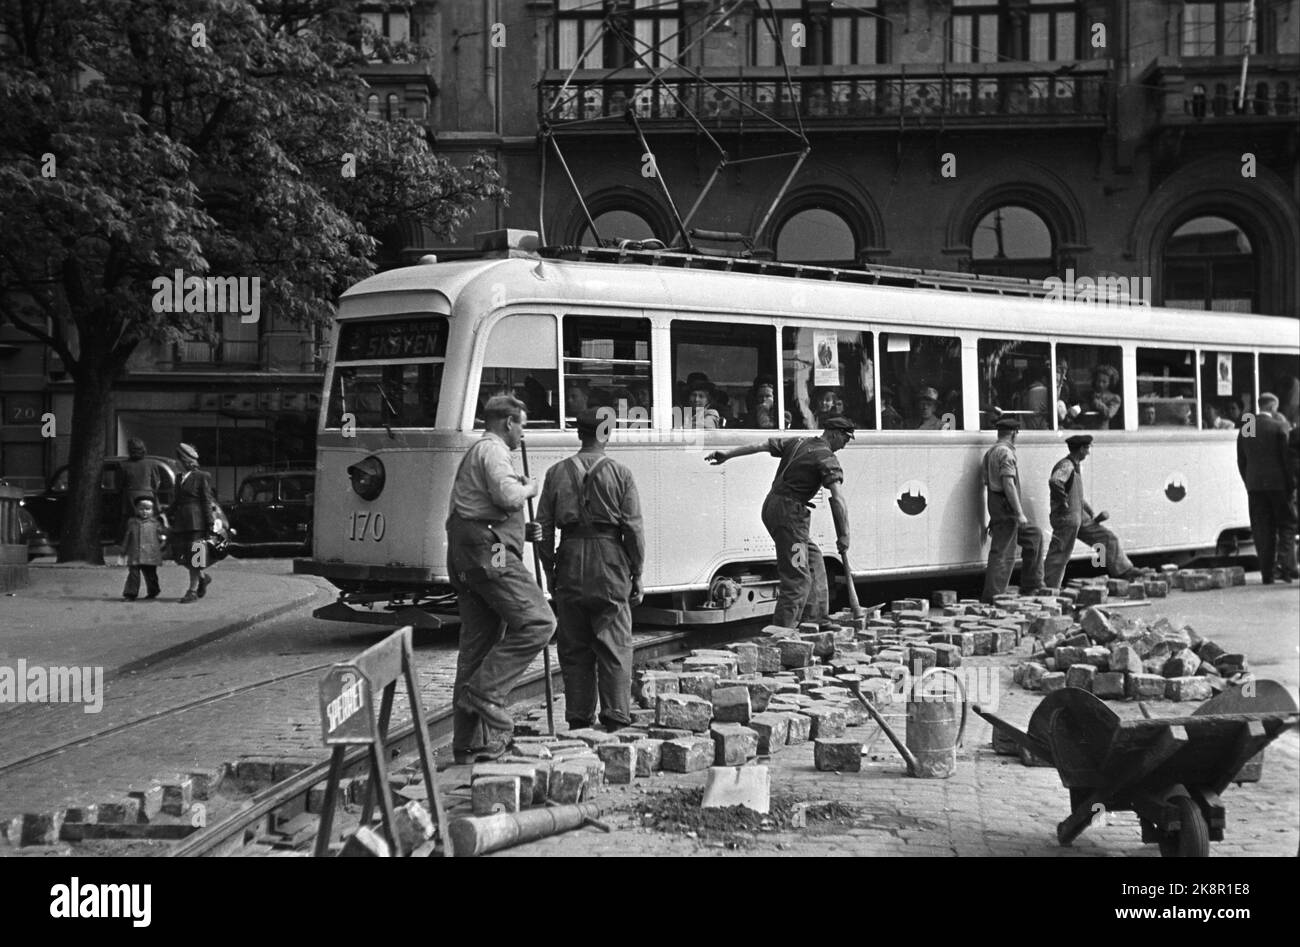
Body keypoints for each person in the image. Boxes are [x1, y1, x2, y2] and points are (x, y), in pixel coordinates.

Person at [446, 394, 556, 761]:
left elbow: (480, 511)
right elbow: (508, 496)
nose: (523, 433)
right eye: (522, 424)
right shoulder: (493, 451)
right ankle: (486, 694)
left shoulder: (476, 453)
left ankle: (467, 744)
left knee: (476, 648)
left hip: (470, 555)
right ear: (508, 422)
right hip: (490, 555)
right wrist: (530, 488)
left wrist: (520, 532)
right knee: (539, 622)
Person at [535, 408, 645, 732]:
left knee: (573, 644)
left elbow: (543, 526)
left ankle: (579, 719)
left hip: (569, 556)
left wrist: (550, 569)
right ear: (607, 433)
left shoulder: (556, 473)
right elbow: (633, 530)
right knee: (614, 642)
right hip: (609, 559)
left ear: (579, 433)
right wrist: (637, 572)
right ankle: (615, 717)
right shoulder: (621, 473)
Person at [705, 418, 855, 630]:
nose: (845, 445)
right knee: (797, 578)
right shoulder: (826, 457)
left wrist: (727, 454)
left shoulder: (799, 442)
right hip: (789, 516)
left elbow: (760, 446)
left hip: (775, 507)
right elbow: (838, 499)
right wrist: (844, 535)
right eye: (846, 439)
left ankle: (815, 619)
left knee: (813, 560)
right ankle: (782, 634)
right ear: (834, 433)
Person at [1042, 435, 1141, 590]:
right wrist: (1063, 501)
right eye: (1087, 448)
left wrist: (1089, 511)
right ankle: (1049, 587)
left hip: (1079, 515)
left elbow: (1076, 494)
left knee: (1106, 537)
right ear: (1081, 449)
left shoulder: (1075, 465)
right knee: (1060, 553)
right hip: (1067, 517)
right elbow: (1055, 481)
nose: (1088, 452)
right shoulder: (1066, 465)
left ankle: (1124, 571)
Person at [980, 417, 1044, 602]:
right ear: (1014, 433)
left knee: (1034, 536)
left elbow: (989, 484)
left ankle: (1032, 584)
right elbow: (1008, 484)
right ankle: (993, 597)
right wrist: (1019, 513)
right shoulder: (1006, 454)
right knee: (1003, 553)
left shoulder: (990, 453)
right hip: (1007, 508)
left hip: (998, 507)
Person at [1238, 392, 1298, 583]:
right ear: (1273, 407)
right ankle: (1284, 565)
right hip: (1279, 485)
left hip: (1255, 486)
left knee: (1262, 528)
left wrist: (1248, 481)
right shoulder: (1279, 426)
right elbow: (1286, 460)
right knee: (1287, 523)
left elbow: (1242, 458)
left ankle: (1267, 574)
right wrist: (1292, 484)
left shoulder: (1248, 425)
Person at [169, 442, 215, 603]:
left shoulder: (202, 476)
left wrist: (209, 523)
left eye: (178, 460)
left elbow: (206, 501)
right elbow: (176, 501)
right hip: (181, 523)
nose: (175, 463)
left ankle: (192, 591)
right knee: (181, 556)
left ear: (185, 460)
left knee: (195, 556)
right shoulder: (179, 478)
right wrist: (167, 513)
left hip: (197, 523)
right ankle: (203, 578)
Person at [120, 496, 166, 601]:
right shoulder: (132, 522)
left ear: (153, 510)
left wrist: (162, 543)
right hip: (135, 553)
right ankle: (130, 594)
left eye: (148, 509)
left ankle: (153, 591)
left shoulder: (156, 523)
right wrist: (123, 551)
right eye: (141, 509)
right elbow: (128, 537)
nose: (144, 512)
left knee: (151, 574)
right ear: (136, 509)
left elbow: (162, 536)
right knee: (133, 575)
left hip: (150, 553)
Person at [119, 437, 166, 534]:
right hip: (148, 496)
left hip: (130, 498)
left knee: (131, 525)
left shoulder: (123, 465)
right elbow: (156, 483)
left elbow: (119, 484)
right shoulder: (152, 463)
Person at [1084, 365, 1121, 430]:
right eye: (1098, 381)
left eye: (1104, 382)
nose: (1100, 384)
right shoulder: (1089, 395)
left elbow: (1109, 414)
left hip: (1101, 432)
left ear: (1110, 383)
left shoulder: (1114, 398)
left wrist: (1097, 402)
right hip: (1085, 429)